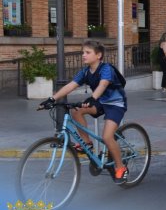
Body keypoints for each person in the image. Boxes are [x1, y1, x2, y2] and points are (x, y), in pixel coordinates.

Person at [38, 40, 129, 184]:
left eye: (87, 52)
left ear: (98, 55)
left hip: (115, 104)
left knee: (107, 137)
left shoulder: (106, 68)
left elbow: (103, 84)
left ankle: (120, 167)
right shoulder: (85, 71)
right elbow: (71, 85)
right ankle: (87, 142)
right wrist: (52, 98)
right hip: (99, 102)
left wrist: (93, 98)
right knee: (77, 111)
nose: (83, 55)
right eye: (83, 52)